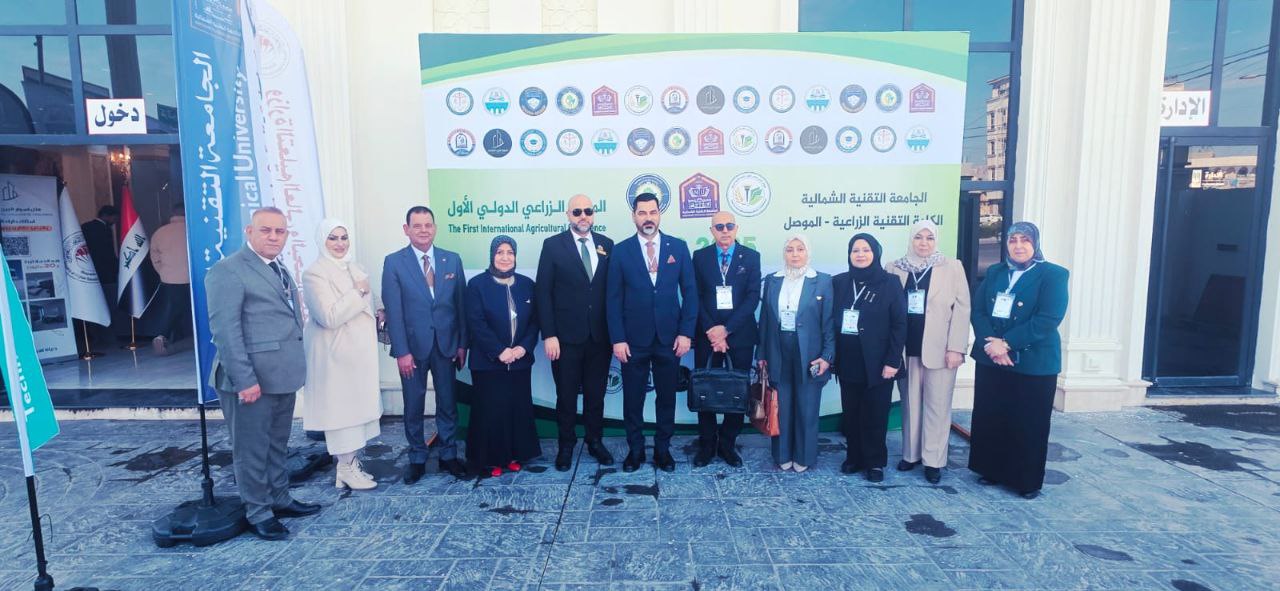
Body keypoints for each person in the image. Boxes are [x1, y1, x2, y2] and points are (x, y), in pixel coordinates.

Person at [205, 207, 319, 541]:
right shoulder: (228, 271)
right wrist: (245, 381)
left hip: (280, 376)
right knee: (251, 451)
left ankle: (279, 498)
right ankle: (259, 512)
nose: (273, 237)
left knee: (276, 445)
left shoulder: (276, 267)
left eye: (279, 231)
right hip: (251, 381)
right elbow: (226, 332)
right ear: (249, 232)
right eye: (266, 230)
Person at [969, 221, 1070, 499]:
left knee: (1028, 422)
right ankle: (991, 469)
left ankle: (1025, 481)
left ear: (1035, 243)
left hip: (1033, 361)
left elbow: (1048, 318)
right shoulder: (996, 271)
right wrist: (992, 344)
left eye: (1025, 240)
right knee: (993, 416)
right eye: (1013, 240)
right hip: (992, 358)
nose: (1018, 246)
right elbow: (978, 311)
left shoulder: (1053, 274)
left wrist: (1007, 344)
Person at [606, 192, 698, 473]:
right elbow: (613, 299)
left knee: (666, 398)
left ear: (659, 214)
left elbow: (691, 293)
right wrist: (618, 338)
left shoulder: (678, 247)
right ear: (634, 216)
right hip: (633, 340)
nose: (648, 218)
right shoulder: (621, 251)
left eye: (653, 212)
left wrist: (686, 333)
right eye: (642, 213)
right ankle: (635, 451)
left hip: (670, 339)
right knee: (633, 399)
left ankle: (662, 450)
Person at [382, 206, 469, 482]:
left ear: (435, 228)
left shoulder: (451, 260)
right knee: (413, 404)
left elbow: (460, 305)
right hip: (412, 349)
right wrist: (402, 351)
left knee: (448, 403)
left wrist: (462, 344)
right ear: (406, 229)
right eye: (417, 225)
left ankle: (448, 455)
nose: (423, 230)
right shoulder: (394, 262)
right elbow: (394, 311)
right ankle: (417, 458)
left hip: (446, 345)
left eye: (428, 225)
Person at [534, 194, 615, 471]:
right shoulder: (553, 245)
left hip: (600, 337)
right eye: (577, 211)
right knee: (566, 396)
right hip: (565, 339)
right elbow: (543, 292)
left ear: (594, 214)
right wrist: (549, 334)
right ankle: (566, 445)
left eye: (588, 211)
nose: (583, 216)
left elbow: (611, 291)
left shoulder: (606, 244)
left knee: (596, 395)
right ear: (568, 215)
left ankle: (595, 441)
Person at [301, 219, 383, 491]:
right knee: (342, 417)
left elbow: (368, 302)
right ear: (322, 241)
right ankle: (345, 468)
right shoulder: (314, 274)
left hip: (358, 357)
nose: (339, 244)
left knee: (358, 415)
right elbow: (329, 316)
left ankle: (349, 466)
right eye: (333, 238)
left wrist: (378, 308)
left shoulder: (354, 267)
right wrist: (358, 291)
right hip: (335, 358)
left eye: (343, 237)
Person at [888, 221, 970, 484]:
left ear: (936, 240)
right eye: (918, 237)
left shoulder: (952, 267)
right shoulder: (894, 267)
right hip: (906, 349)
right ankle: (911, 454)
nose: (923, 243)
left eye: (929, 238)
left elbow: (962, 309)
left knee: (938, 405)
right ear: (911, 239)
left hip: (941, 350)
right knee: (910, 404)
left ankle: (934, 460)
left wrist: (956, 348)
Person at [465, 236, 542, 477]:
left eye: (510, 252)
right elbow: (476, 322)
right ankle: (491, 460)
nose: (505, 257)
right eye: (500, 252)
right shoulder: (477, 285)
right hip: (488, 363)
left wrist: (523, 348)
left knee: (516, 410)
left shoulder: (527, 285)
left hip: (519, 362)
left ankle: (513, 456)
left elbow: (535, 321)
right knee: (491, 411)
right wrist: (499, 351)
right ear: (492, 255)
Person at [832, 233, 906, 482]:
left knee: (876, 413)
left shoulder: (890, 282)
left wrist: (893, 361)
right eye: (855, 250)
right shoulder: (840, 282)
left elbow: (899, 325)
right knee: (851, 412)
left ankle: (875, 462)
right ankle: (854, 457)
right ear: (849, 255)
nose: (860, 254)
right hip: (848, 359)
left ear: (875, 253)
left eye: (866, 250)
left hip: (879, 362)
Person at [758, 234, 834, 472]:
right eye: (790, 249)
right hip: (778, 348)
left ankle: (804, 456)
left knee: (807, 405)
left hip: (810, 353)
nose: (795, 254)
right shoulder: (773, 280)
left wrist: (827, 356)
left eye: (800, 249)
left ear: (808, 252)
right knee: (781, 404)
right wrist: (761, 354)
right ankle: (782, 454)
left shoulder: (822, 281)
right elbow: (765, 320)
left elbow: (829, 323)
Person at [691, 211, 760, 467]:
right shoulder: (700, 257)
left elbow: (752, 297)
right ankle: (707, 444)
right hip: (707, 335)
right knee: (704, 391)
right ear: (711, 231)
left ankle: (728, 444)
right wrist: (713, 330)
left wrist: (726, 330)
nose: (724, 230)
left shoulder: (751, 257)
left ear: (736, 228)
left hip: (739, 336)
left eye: (729, 225)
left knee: (737, 393)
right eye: (719, 226)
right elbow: (694, 296)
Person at [150, 203, 191, 355]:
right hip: (193, 278)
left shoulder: (160, 232)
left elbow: (155, 257)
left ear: (172, 214)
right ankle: (188, 337)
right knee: (191, 309)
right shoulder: (193, 229)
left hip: (169, 277)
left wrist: (162, 272)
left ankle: (163, 336)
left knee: (172, 308)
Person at [81, 205, 119, 346]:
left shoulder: (85, 227)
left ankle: (94, 336)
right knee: (109, 305)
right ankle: (108, 337)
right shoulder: (104, 230)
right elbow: (108, 254)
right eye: (114, 218)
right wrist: (117, 268)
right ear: (107, 216)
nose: (115, 221)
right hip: (106, 274)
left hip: (88, 274)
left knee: (93, 305)